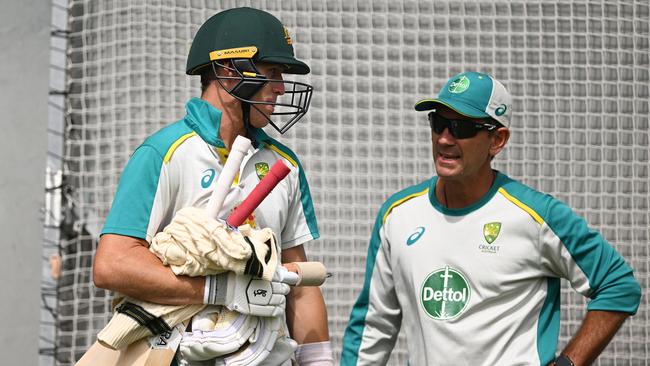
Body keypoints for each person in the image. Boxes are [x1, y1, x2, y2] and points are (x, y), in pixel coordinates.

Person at [341, 71, 641, 366]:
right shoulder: (397, 214)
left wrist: (569, 363)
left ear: (497, 140)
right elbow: (373, 325)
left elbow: (617, 285)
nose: (444, 139)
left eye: (461, 128)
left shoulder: (537, 215)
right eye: (439, 123)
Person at [93, 7, 333, 365]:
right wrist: (220, 290)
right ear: (227, 70)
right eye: (272, 72)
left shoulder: (286, 166)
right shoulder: (164, 152)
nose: (281, 88)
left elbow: (298, 281)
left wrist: (320, 362)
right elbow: (112, 265)